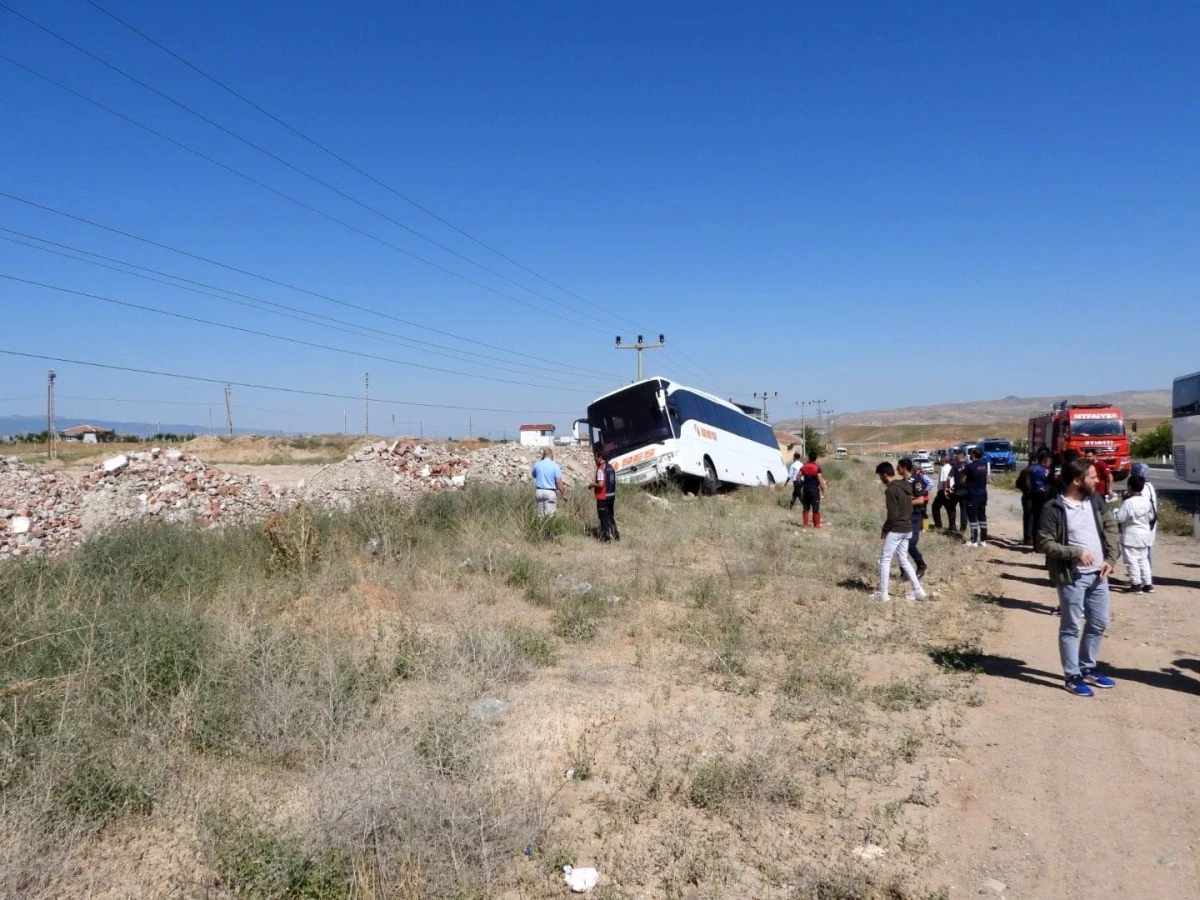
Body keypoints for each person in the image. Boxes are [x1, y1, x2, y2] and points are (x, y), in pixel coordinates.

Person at [1036, 457, 1120, 697]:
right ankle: (1072, 675)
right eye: (1092, 476)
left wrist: (1111, 559)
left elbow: (1111, 526)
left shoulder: (1095, 500)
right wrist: (1075, 553)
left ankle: (1088, 668)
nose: (1098, 480)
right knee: (1071, 627)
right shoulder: (1053, 507)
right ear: (1076, 480)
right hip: (1072, 576)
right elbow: (1044, 543)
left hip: (1099, 575)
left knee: (1098, 622)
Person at [870, 461, 927, 602]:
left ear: (884, 475)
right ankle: (918, 591)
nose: (880, 479)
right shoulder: (906, 486)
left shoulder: (891, 490)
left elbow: (892, 514)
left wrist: (885, 529)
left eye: (880, 476)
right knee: (903, 559)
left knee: (885, 560)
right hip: (907, 527)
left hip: (897, 529)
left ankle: (883, 594)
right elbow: (908, 507)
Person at [1115, 473, 1155, 592]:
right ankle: (1147, 583)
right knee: (1143, 559)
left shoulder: (1128, 503)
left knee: (1131, 560)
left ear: (1130, 487)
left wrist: (1116, 511)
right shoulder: (1146, 502)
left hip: (1131, 535)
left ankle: (1136, 584)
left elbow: (1120, 518)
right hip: (1144, 534)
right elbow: (1151, 516)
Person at [897, 458, 931, 579]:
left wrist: (905, 503)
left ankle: (921, 564)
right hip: (903, 516)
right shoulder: (901, 482)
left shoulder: (916, 481)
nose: (897, 469)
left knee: (910, 544)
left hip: (914, 516)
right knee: (900, 544)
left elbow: (920, 500)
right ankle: (904, 572)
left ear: (904, 468)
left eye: (898, 467)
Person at [963, 447, 990, 547]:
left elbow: (963, 479)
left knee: (972, 517)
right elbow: (986, 479)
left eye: (971, 453)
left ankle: (973, 540)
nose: (970, 455)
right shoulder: (984, 466)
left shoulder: (969, 466)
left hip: (973, 495)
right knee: (982, 517)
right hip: (983, 494)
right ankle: (983, 540)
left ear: (973, 455)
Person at [593, 448, 619, 541]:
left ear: (599, 457)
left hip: (603, 497)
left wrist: (591, 485)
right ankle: (616, 535)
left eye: (596, 457)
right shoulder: (610, 467)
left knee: (603, 517)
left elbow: (600, 484)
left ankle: (606, 537)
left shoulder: (601, 468)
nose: (595, 459)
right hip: (611, 496)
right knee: (610, 516)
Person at [1027, 452, 1052, 548]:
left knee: (1035, 518)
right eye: (1049, 462)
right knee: (1041, 519)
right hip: (1041, 494)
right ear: (1044, 461)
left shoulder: (1031, 468)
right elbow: (1047, 480)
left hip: (1034, 493)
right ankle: (1039, 543)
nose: (1050, 464)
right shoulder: (1043, 471)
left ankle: (1035, 544)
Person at [531, 447, 566, 517]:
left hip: (539, 491)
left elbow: (533, 475)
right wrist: (564, 493)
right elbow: (558, 482)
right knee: (549, 516)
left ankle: (540, 527)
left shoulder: (537, 464)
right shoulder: (555, 465)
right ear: (552, 455)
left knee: (540, 515)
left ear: (543, 455)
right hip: (550, 492)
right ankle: (548, 528)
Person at [799, 450, 827, 528]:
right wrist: (823, 492)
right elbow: (820, 481)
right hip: (814, 489)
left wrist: (803, 482)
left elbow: (798, 476)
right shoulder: (817, 467)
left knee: (806, 507)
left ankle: (805, 524)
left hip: (805, 489)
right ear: (815, 458)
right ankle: (817, 525)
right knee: (815, 507)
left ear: (809, 457)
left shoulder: (804, 466)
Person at [947, 451, 970, 536]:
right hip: (966, 491)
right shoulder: (968, 466)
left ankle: (953, 526)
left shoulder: (955, 466)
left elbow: (948, 478)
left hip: (956, 491)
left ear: (959, 457)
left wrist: (948, 488)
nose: (955, 457)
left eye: (956, 456)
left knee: (952, 508)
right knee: (964, 510)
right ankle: (962, 529)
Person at [931, 452, 951, 530]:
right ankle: (952, 526)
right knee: (949, 509)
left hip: (943, 491)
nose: (940, 459)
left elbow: (944, 481)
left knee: (935, 507)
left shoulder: (944, 469)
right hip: (948, 491)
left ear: (944, 460)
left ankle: (938, 524)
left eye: (941, 458)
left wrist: (943, 491)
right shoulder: (950, 467)